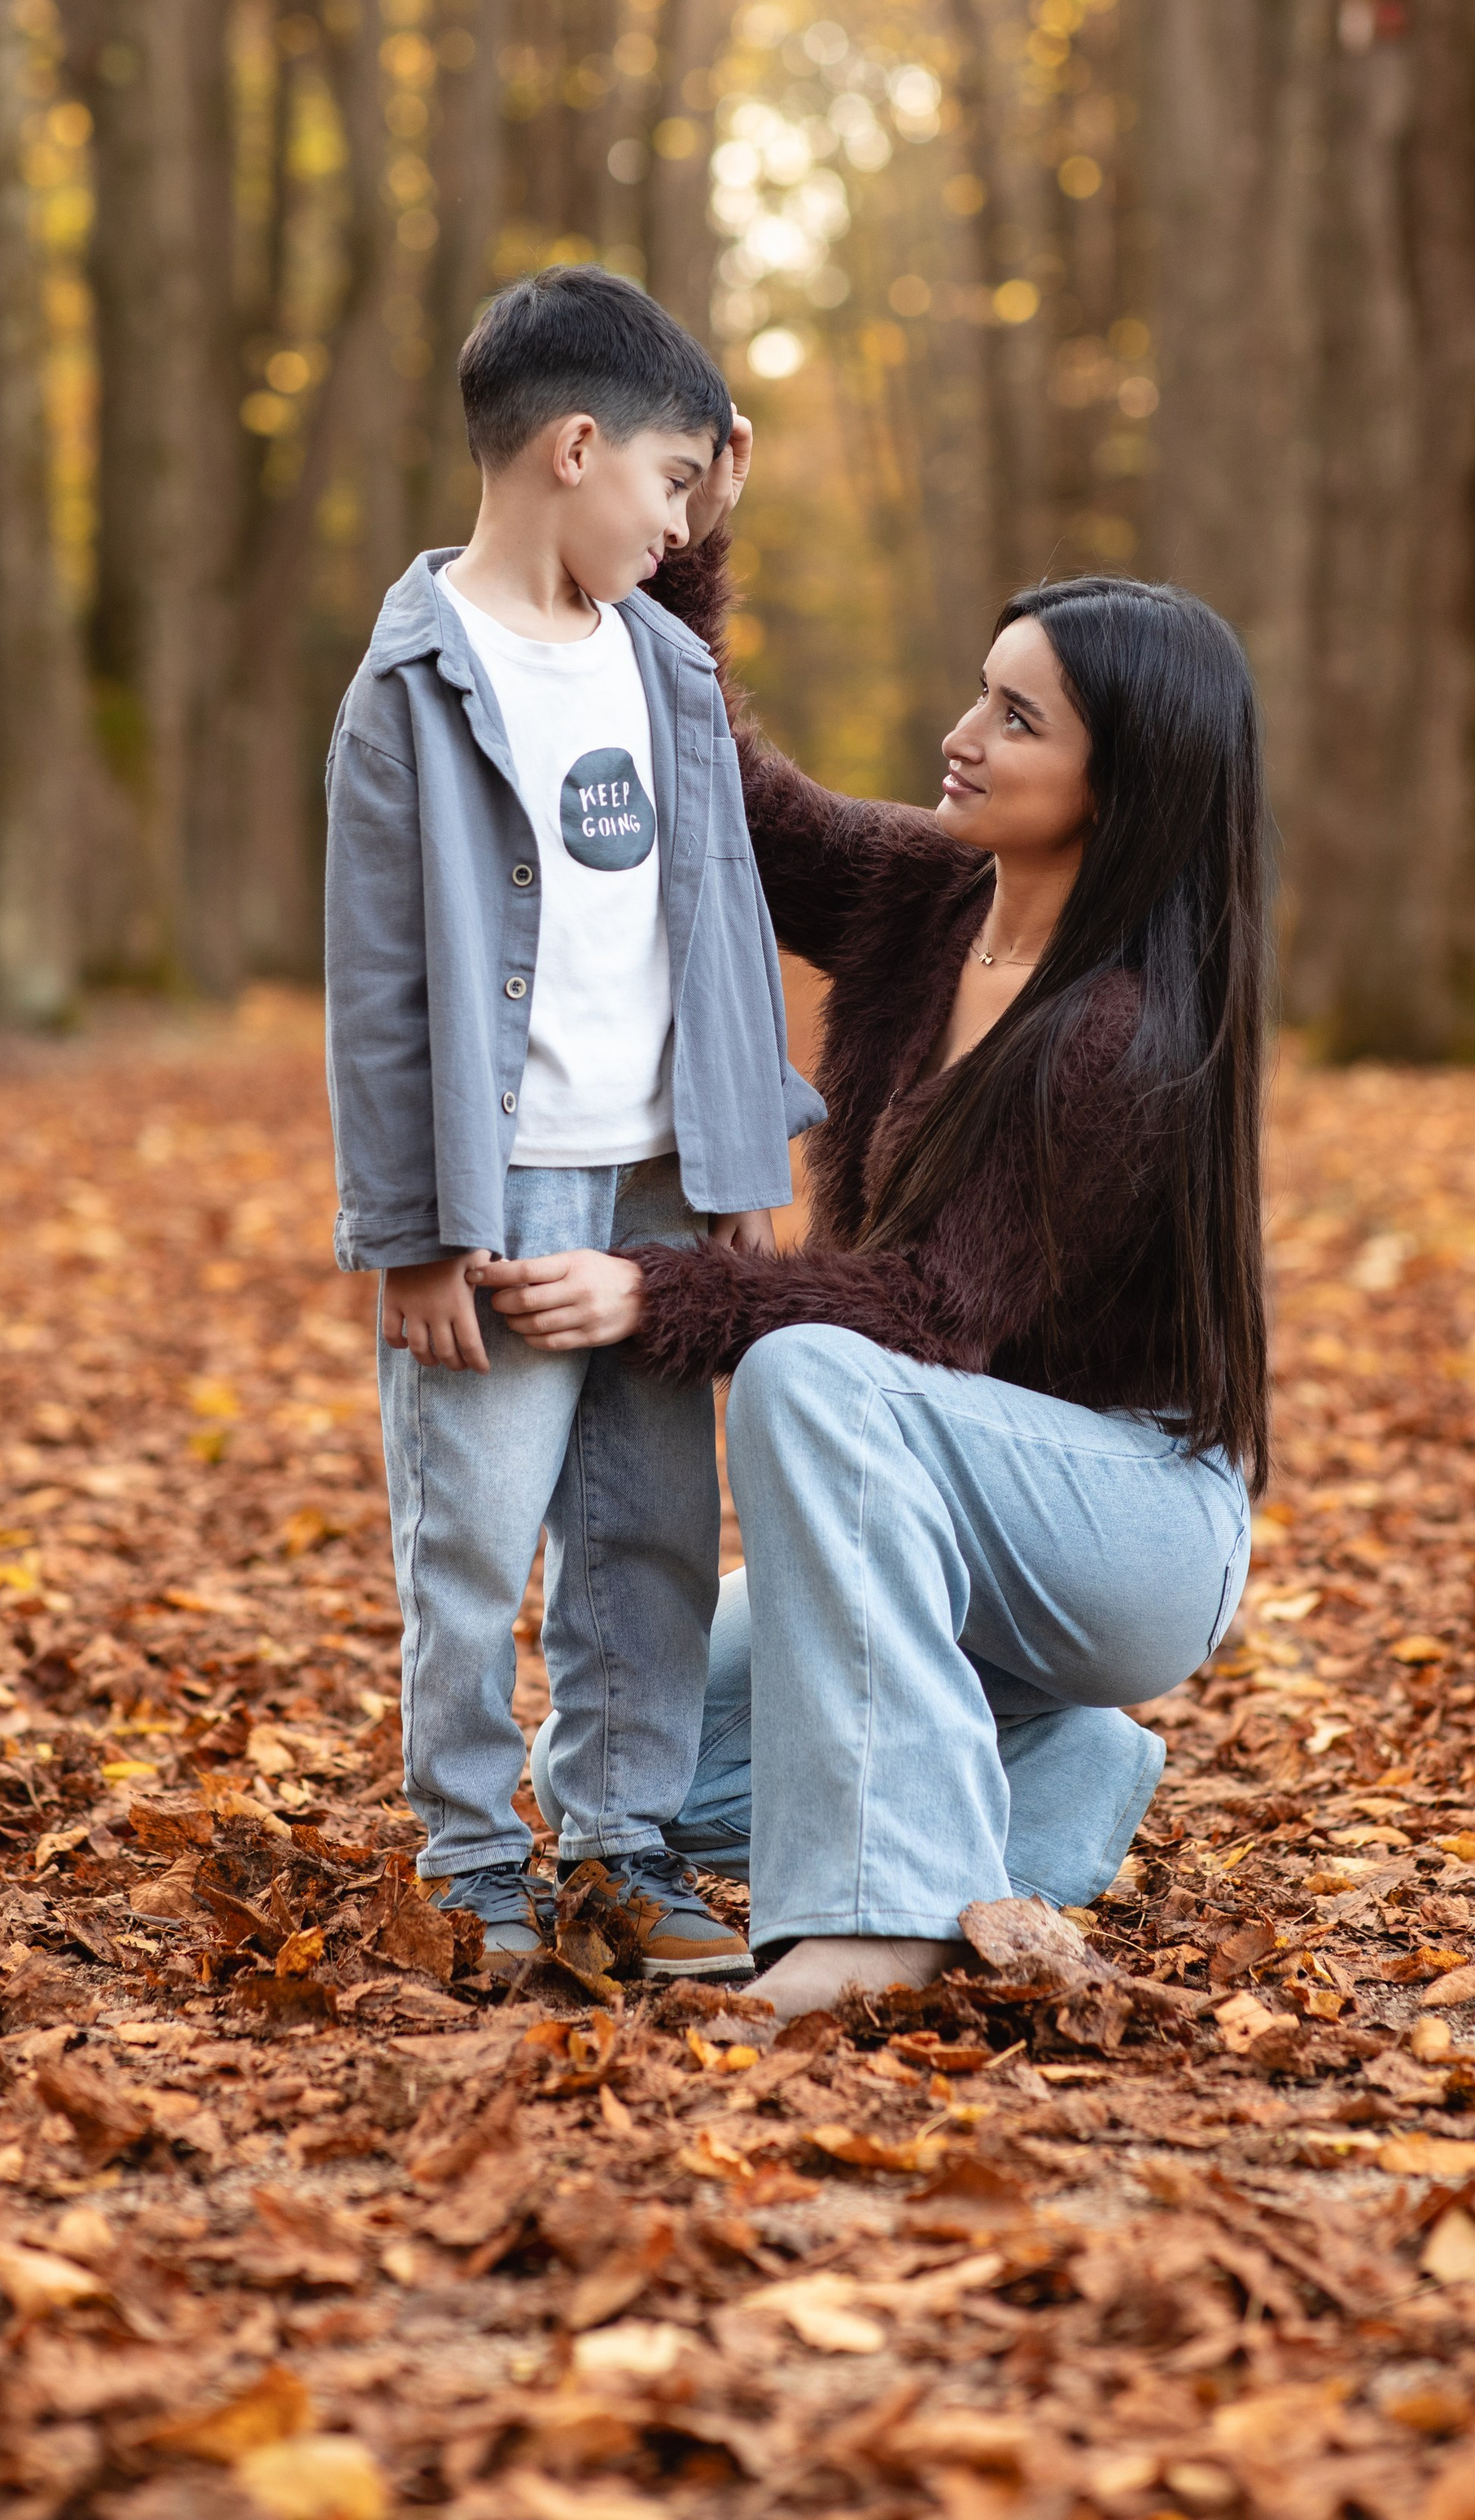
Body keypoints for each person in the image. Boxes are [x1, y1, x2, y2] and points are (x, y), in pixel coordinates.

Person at [488, 420, 1267, 2019]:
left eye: (1014, 716)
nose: (960, 732)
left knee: (811, 1373)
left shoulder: (1118, 1035)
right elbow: (740, 806)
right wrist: (681, 553)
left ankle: (869, 1922)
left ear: (1119, 784)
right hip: (922, 1498)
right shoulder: (931, 901)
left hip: (1119, 1524)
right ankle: (1048, 1782)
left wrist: (656, 1291)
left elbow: (924, 1317)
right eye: (980, 692)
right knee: (620, 1757)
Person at [323, 269, 822, 1983]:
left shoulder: (666, 669)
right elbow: (380, 984)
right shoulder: (414, 684)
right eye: (670, 486)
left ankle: (619, 1845)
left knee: (649, 1533)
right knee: (469, 1539)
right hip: (498, 1195)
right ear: (575, 449)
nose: (682, 524)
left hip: (663, 1182)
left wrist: (741, 1162)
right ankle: (470, 1863)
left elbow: (722, 923)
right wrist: (403, 1240)